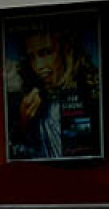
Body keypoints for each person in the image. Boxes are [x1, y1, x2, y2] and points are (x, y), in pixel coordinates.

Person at [8, 19, 101, 161]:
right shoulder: (29, 101)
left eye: (46, 53)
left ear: (67, 50)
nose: (38, 66)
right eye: (31, 57)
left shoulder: (92, 94)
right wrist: (23, 125)